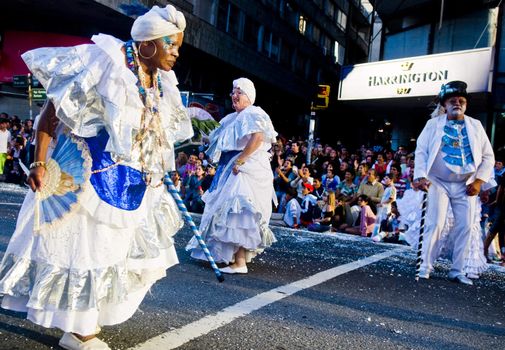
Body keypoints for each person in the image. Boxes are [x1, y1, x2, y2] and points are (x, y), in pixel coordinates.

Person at [0, 5, 192, 350]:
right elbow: (52, 112)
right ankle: (79, 330)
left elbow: (153, 135)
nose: (176, 54)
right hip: (86, 179)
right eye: (171, 45)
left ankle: (87, 319)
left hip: (129, 182)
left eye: (178, 46)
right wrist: (39, 162)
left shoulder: (160, 81)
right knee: (84, 251)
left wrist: (161, 171)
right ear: (147, 44)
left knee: (114, 251)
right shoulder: (103, 61)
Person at [186, 77, 277, 274]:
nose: (234, 95)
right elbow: (217, 140)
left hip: (245, 169)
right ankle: (235, 257)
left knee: (238, 211)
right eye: (233, 91)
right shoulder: (229, 118)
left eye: (239, 92)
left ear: (249, 96)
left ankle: (240, 261)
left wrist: (241, 160)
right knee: (229, 212)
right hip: (231, 168)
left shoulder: (254, 112)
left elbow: (258, 137)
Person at [414, 80, 495, 285]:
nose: (457, 103)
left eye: (461, 100)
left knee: (466, 226)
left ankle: (457, 270)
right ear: (445, 105)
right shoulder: (432, 125)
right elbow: (421, 151)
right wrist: (421, 176)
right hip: (437, 182)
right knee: (436, 223)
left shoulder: (476, 126)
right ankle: (425, 267)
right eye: (452, 101)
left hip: (465, 184)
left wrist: (479, 181)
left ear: (466, 104)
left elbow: (488, 157)